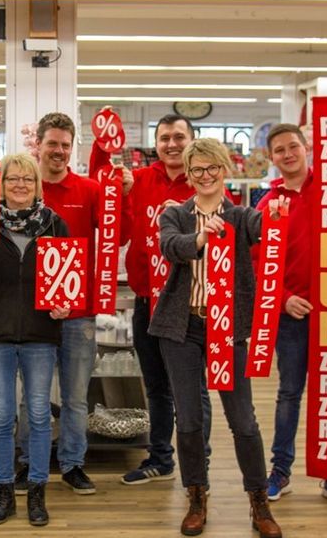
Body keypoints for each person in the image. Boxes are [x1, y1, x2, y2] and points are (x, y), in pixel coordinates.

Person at [148, 138, 284, 538]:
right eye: (197, 170)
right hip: (181, 328)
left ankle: (258, 500)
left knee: (243, 419)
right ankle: (196, 496)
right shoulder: (175, 214)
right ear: (188, 176)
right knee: (188, 419)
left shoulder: (243, 217)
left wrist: (277, 213)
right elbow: (171, 247)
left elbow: (271, 231)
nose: (205, 176)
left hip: (229, 328)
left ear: (225, 170)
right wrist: (200, 240)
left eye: (212, 168)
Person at [15, 111, 131, 495]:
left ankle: (73, 464)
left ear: (72, 148)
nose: (59, 151)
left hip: (78, 314)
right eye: (52, 144)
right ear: (40, 146)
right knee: (32, 397)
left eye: (66, 145)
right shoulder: (24, 191)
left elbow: (118, 236)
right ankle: (29, 463)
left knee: (76, 397)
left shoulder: (89, 190)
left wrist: (123, 197)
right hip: (32, 314)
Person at [98, 114, 215, 487]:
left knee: (193, 389)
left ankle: (200, 462)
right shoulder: (141, 181)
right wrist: (120, 196)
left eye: (179, 137)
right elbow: (119, 236)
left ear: (192, 140)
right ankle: (161, 458)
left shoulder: (207, 184)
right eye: (164, 138)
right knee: (157, 387)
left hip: (192, 304)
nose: (171, 144)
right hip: (148, 299)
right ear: (156, 144)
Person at [0, 152, 71, 526]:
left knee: (39, 415)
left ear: (38, 185)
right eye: (12, 179)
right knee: (3, 416)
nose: (20, 185)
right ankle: (4, 492)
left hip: (42, 334)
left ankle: (37, 491)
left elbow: (67, 284)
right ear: (1, 184)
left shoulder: (55, 224)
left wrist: (64, 307)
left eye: (27, 179)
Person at [256, 123, 327, 508]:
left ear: (306, 146)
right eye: (279, 150)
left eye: (292, 146)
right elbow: (258, 260)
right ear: (271, 157)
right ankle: (280, 471)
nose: (287, 154)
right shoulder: (268, 204)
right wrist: (282, 299)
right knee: (289, 395)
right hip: (292, 316)